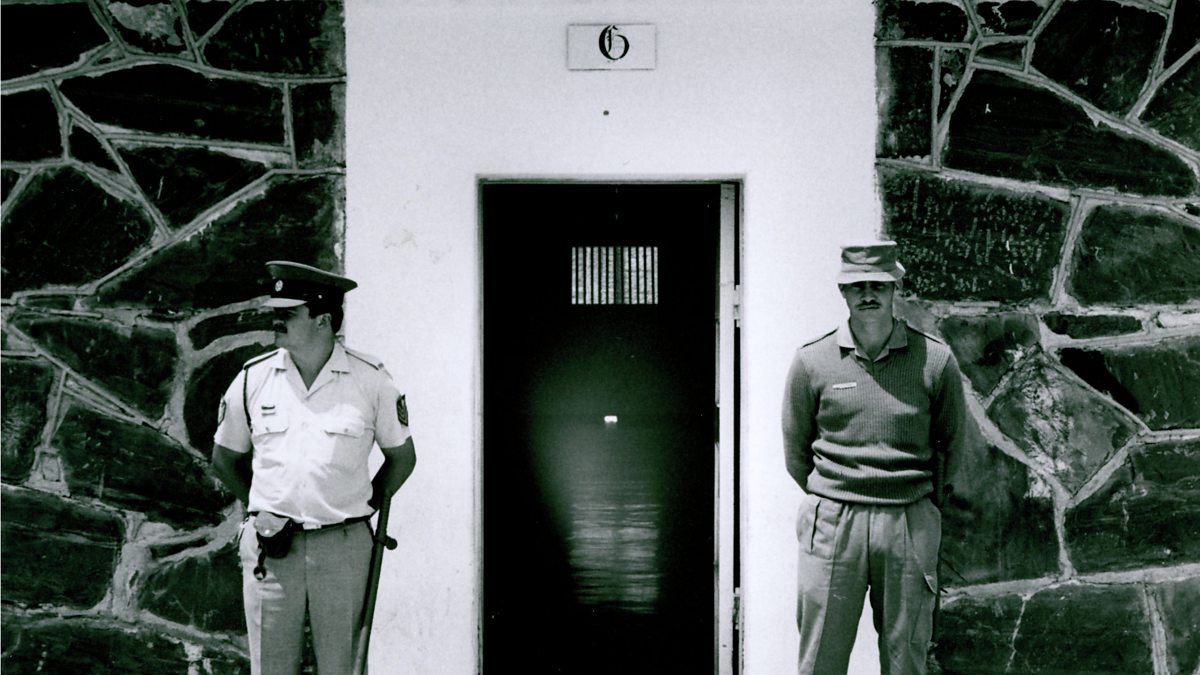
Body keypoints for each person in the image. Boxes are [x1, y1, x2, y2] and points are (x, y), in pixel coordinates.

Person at [211, 260, 417, 675]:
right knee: (270, 666)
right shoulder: (253, 379)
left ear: (323, 320)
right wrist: (263, 504)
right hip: (272, 546)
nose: (276, 319)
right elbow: (224, 458)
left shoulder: (370, 380)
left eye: (288, 313)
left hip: (343, 548)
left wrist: (363, 505)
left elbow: (402, 457)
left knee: (341, 667)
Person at [781, 240, 967, 675]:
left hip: (907, 520)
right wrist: (835, 494)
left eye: (879, 285)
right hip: (833, 524)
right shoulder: (812, 361)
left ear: (895, 288)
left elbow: (952, 444)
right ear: (842, 292)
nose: (868, 294)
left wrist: (923, 506)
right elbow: (796, 450)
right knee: (821, 656)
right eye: (857, 285)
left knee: (907, 658)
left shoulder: (934, 360)